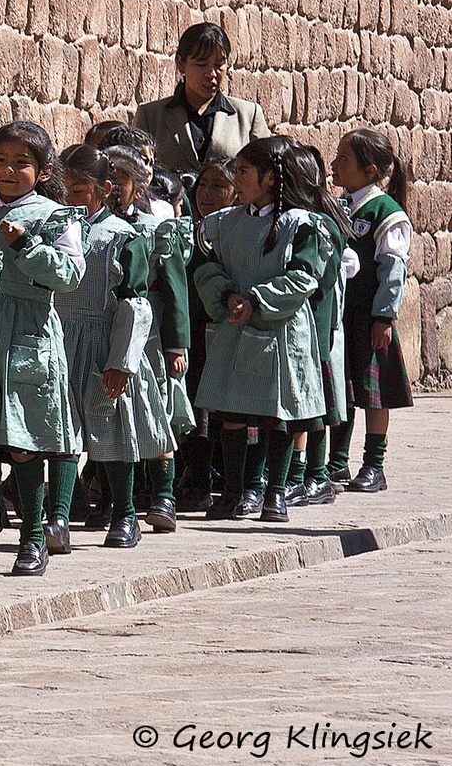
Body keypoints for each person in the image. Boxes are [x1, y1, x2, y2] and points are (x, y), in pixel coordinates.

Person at [195, 137, 334, 524]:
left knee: (280, 415)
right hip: (235, 328)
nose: (235, 179)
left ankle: (275, 493)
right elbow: (206, 268)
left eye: (243, 172)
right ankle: (235, 494)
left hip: (281, 331)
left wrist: (255, 299)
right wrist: (226, 297)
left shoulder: (302, 226)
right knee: (233, 412)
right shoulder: (222, 224)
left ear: (270, 178)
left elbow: (305, 277)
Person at [0, 122, 86, 576]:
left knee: (24, 441)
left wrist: (26, 247)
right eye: (1, 160)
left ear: (42, 170)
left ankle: (33, 537)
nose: (9, 170)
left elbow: (69, 274)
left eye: (22, 162)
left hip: (29, 336)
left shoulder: (56, 216)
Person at [55, 146, 172, 550]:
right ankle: (58, 516)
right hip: (59, 342)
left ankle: (124, 513)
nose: (67, 199)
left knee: (112, 426)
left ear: (104, 190)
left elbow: (135, 302)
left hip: (105, 343)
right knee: (61, 430)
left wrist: (121, 362)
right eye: (61, 190)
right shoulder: (53, 230)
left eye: (76, 191)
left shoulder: (124, 238)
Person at [102, 145, 189, 531]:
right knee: (110, 414)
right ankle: (112, 498)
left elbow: (174, 289)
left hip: (147, 336)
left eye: (118, 183)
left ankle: (164, 496)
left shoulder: (155, 230)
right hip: (103, 330)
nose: (109, 190)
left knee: (153, 412)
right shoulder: (89, 228)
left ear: (138, 190)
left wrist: (175, 344)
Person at [329, 128, 413, 493]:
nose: (334, 164)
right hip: (342, 313)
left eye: (343, 159)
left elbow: (392, 270)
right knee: (343, 387)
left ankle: (374, 465)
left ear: (369, 169)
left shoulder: (386, 213)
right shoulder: (340, 205)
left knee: (374, 391)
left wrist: (385, 317)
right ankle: (336, 463)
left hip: (369, 315)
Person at [287, 143, 356, 506]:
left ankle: (314, 476)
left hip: (315, 326)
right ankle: (303, 476)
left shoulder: (318, 224)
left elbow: (320, 279)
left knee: (313, 405)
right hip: (311, 327)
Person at [174, 158, 236, 510]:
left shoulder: (234, 231)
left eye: (219, 186)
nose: (207, 193)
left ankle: (226, 478)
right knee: (194, 407)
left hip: (223, 331)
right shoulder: (188, 229)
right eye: (204, 184)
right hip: (194, 330)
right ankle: (196, 478)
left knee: (220, 408)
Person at [134, 23, 271, 174]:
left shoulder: (248, 116)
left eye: (219, 65)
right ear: (181, 64)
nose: (211, 73)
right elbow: (135, 172)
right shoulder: (151, 116)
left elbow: (265, 174)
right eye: (201, 64)